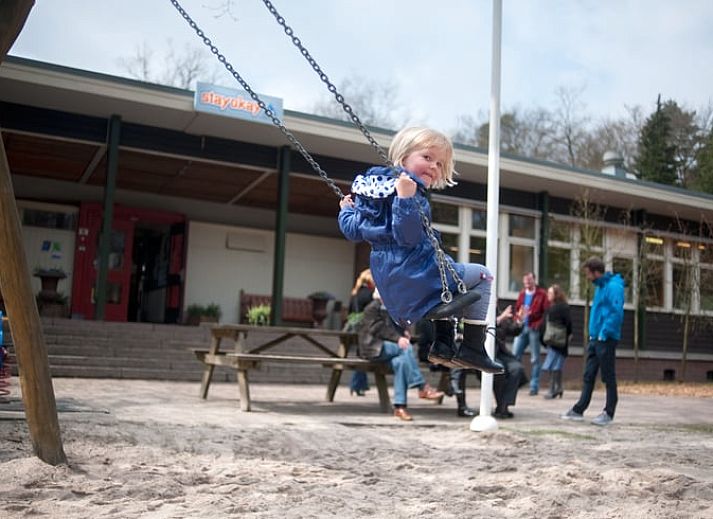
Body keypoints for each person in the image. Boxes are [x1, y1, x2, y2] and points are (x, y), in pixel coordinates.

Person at [338, 126, 503, 375]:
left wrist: (345, 210)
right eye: (427, 157)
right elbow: (407, 236)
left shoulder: (371, 194)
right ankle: (473, 348)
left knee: (450, 287)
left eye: (439, 164)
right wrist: (405, 199)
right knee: (482, 276)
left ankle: (443, 346)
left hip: (389, 280)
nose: (434, 167)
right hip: (415, 274)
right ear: (403, 156)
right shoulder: (411, 195)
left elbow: (353, 231)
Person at [357, 289, 444, 421]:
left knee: (402, 363)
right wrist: (398, 339)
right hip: (373, 349)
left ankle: (399, 407)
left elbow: (394, 327)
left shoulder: (389, 309)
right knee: (405, 348)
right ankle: (421, 387)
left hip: (386, 349)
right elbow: (378, 328)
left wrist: (404, 333)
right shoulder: (372, 308)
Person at [561, 257, 624, 426]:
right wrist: (593, 334)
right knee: (588, 375)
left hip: (606, 339)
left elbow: (615, 313)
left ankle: (608, 413)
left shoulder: (614, 287)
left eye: (588, 274)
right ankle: (578, 409)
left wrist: (604, 333)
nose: (588, 277)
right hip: (595, 339)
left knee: (608, 376)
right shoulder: (600, 287)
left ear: (596, 272)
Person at [512, 272, 550, 395]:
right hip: (521, 327)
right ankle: (515, 382)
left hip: (534, 328)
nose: (527, 283)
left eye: (529, 280)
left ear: (534, 280)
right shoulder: (522, 294)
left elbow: (546, 311)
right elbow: (517, 308)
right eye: (525, 281)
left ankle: (534, 386)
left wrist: (538, 323)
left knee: (535, 358)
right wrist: (517, 318)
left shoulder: (541, 294)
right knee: (515, 355)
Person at [346, 268, 375, 396]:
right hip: (365, 328)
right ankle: (356, 384)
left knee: (361, 356)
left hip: (354, 328)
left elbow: (349, 312)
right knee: (364, 356)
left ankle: (359, 385)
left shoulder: (355, 292)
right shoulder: (369, 294)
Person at [540, 284, 572, 400]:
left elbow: (544, 325)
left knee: (553, 364)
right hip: (561, 340)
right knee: (557, 364)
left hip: (553, 340)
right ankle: (557, 388)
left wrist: (543, 339)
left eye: (550, 293)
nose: (548, 295)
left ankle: (553, 389)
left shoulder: (552, 309)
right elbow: (569, 324)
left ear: (556, 295)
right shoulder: (564, 307)